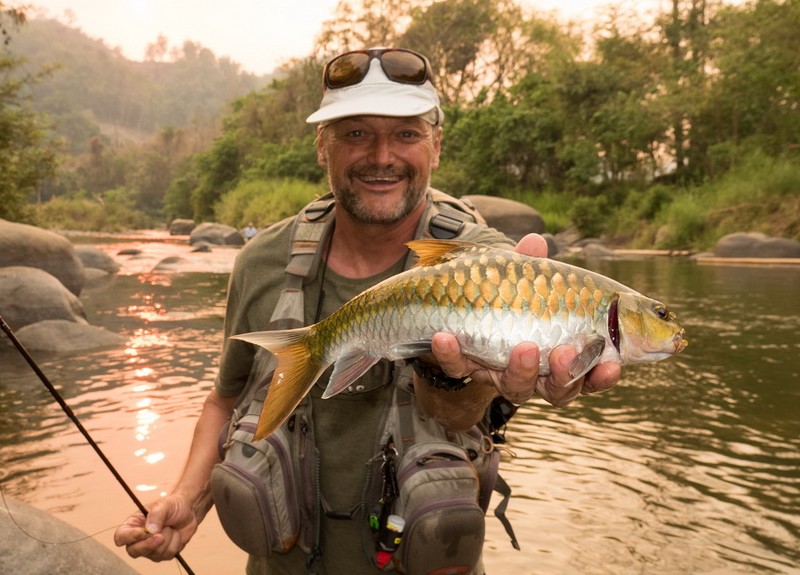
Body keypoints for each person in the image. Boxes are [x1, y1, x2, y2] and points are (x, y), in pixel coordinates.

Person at [114, 47, 621, 574]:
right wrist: (189, 501)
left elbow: (462, 418)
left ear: (436, 146)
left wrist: (461, 380)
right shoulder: (261, 262)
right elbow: (225, 399)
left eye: (406, 134)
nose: (382, 156)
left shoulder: (495, 270)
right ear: (321, 147)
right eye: (355, 133)